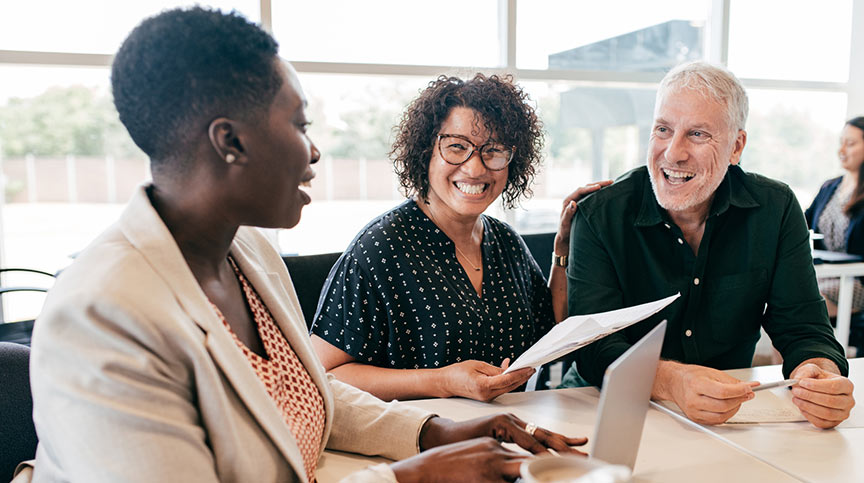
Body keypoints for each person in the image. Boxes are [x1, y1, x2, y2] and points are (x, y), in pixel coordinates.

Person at [19, 8, 588, 483]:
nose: (313, 153)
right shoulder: (101, 313)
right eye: (299, 124)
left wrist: (437, 431)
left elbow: (309, 392)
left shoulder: (251, 255)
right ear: (231, 141)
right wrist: (411, 474)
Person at [562, 61, 855, 429]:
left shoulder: (776, 209)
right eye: (663, 130)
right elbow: (594, 347)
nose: (672, 153)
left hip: (726, 414)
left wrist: (819, 374)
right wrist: (673, 381)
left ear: (736, 146)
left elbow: (804, 328)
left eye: (697, 134)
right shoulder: (600, 215)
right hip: (603, 403)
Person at [310, 74, 609, 402]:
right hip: (418, 440)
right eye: (457, 147)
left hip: (507, 430)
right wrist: (441, 381)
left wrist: (563, 248)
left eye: (493, 151)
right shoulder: (380, 249)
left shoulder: (505, 242)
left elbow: (552, 328)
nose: (476, 168)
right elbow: (326, 375)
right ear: (426, 151)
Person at [805, 117, 864, 317]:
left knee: (804, 303)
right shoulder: (830, 187)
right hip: (826, 274)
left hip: (857, 281)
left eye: (851, 144)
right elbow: (801, 223)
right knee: (782, 298)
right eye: (841, 143)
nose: (841, 151)